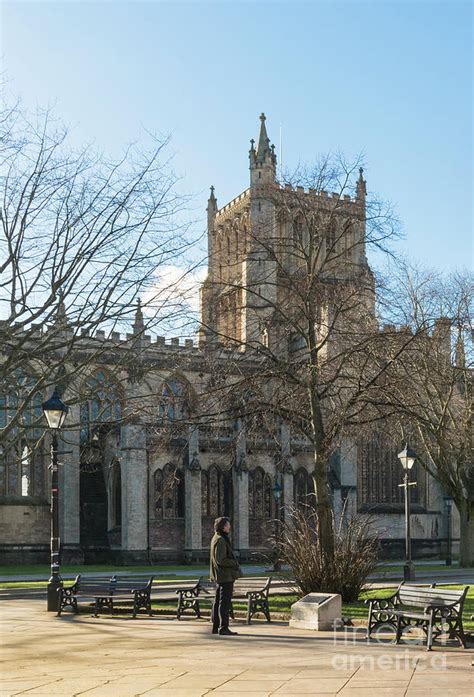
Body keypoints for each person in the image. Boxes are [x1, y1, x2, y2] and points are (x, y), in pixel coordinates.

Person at [210, 516, 242, 636]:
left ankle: (216, 626)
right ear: (223, 526)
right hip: (225, 576)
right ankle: (223, 627)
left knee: (218, 601)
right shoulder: (220, 540)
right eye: (228, 525)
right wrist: (234, 562)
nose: (230, 527)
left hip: (222, 575)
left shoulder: (218, 538)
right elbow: (221, 560)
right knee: (224, 602)